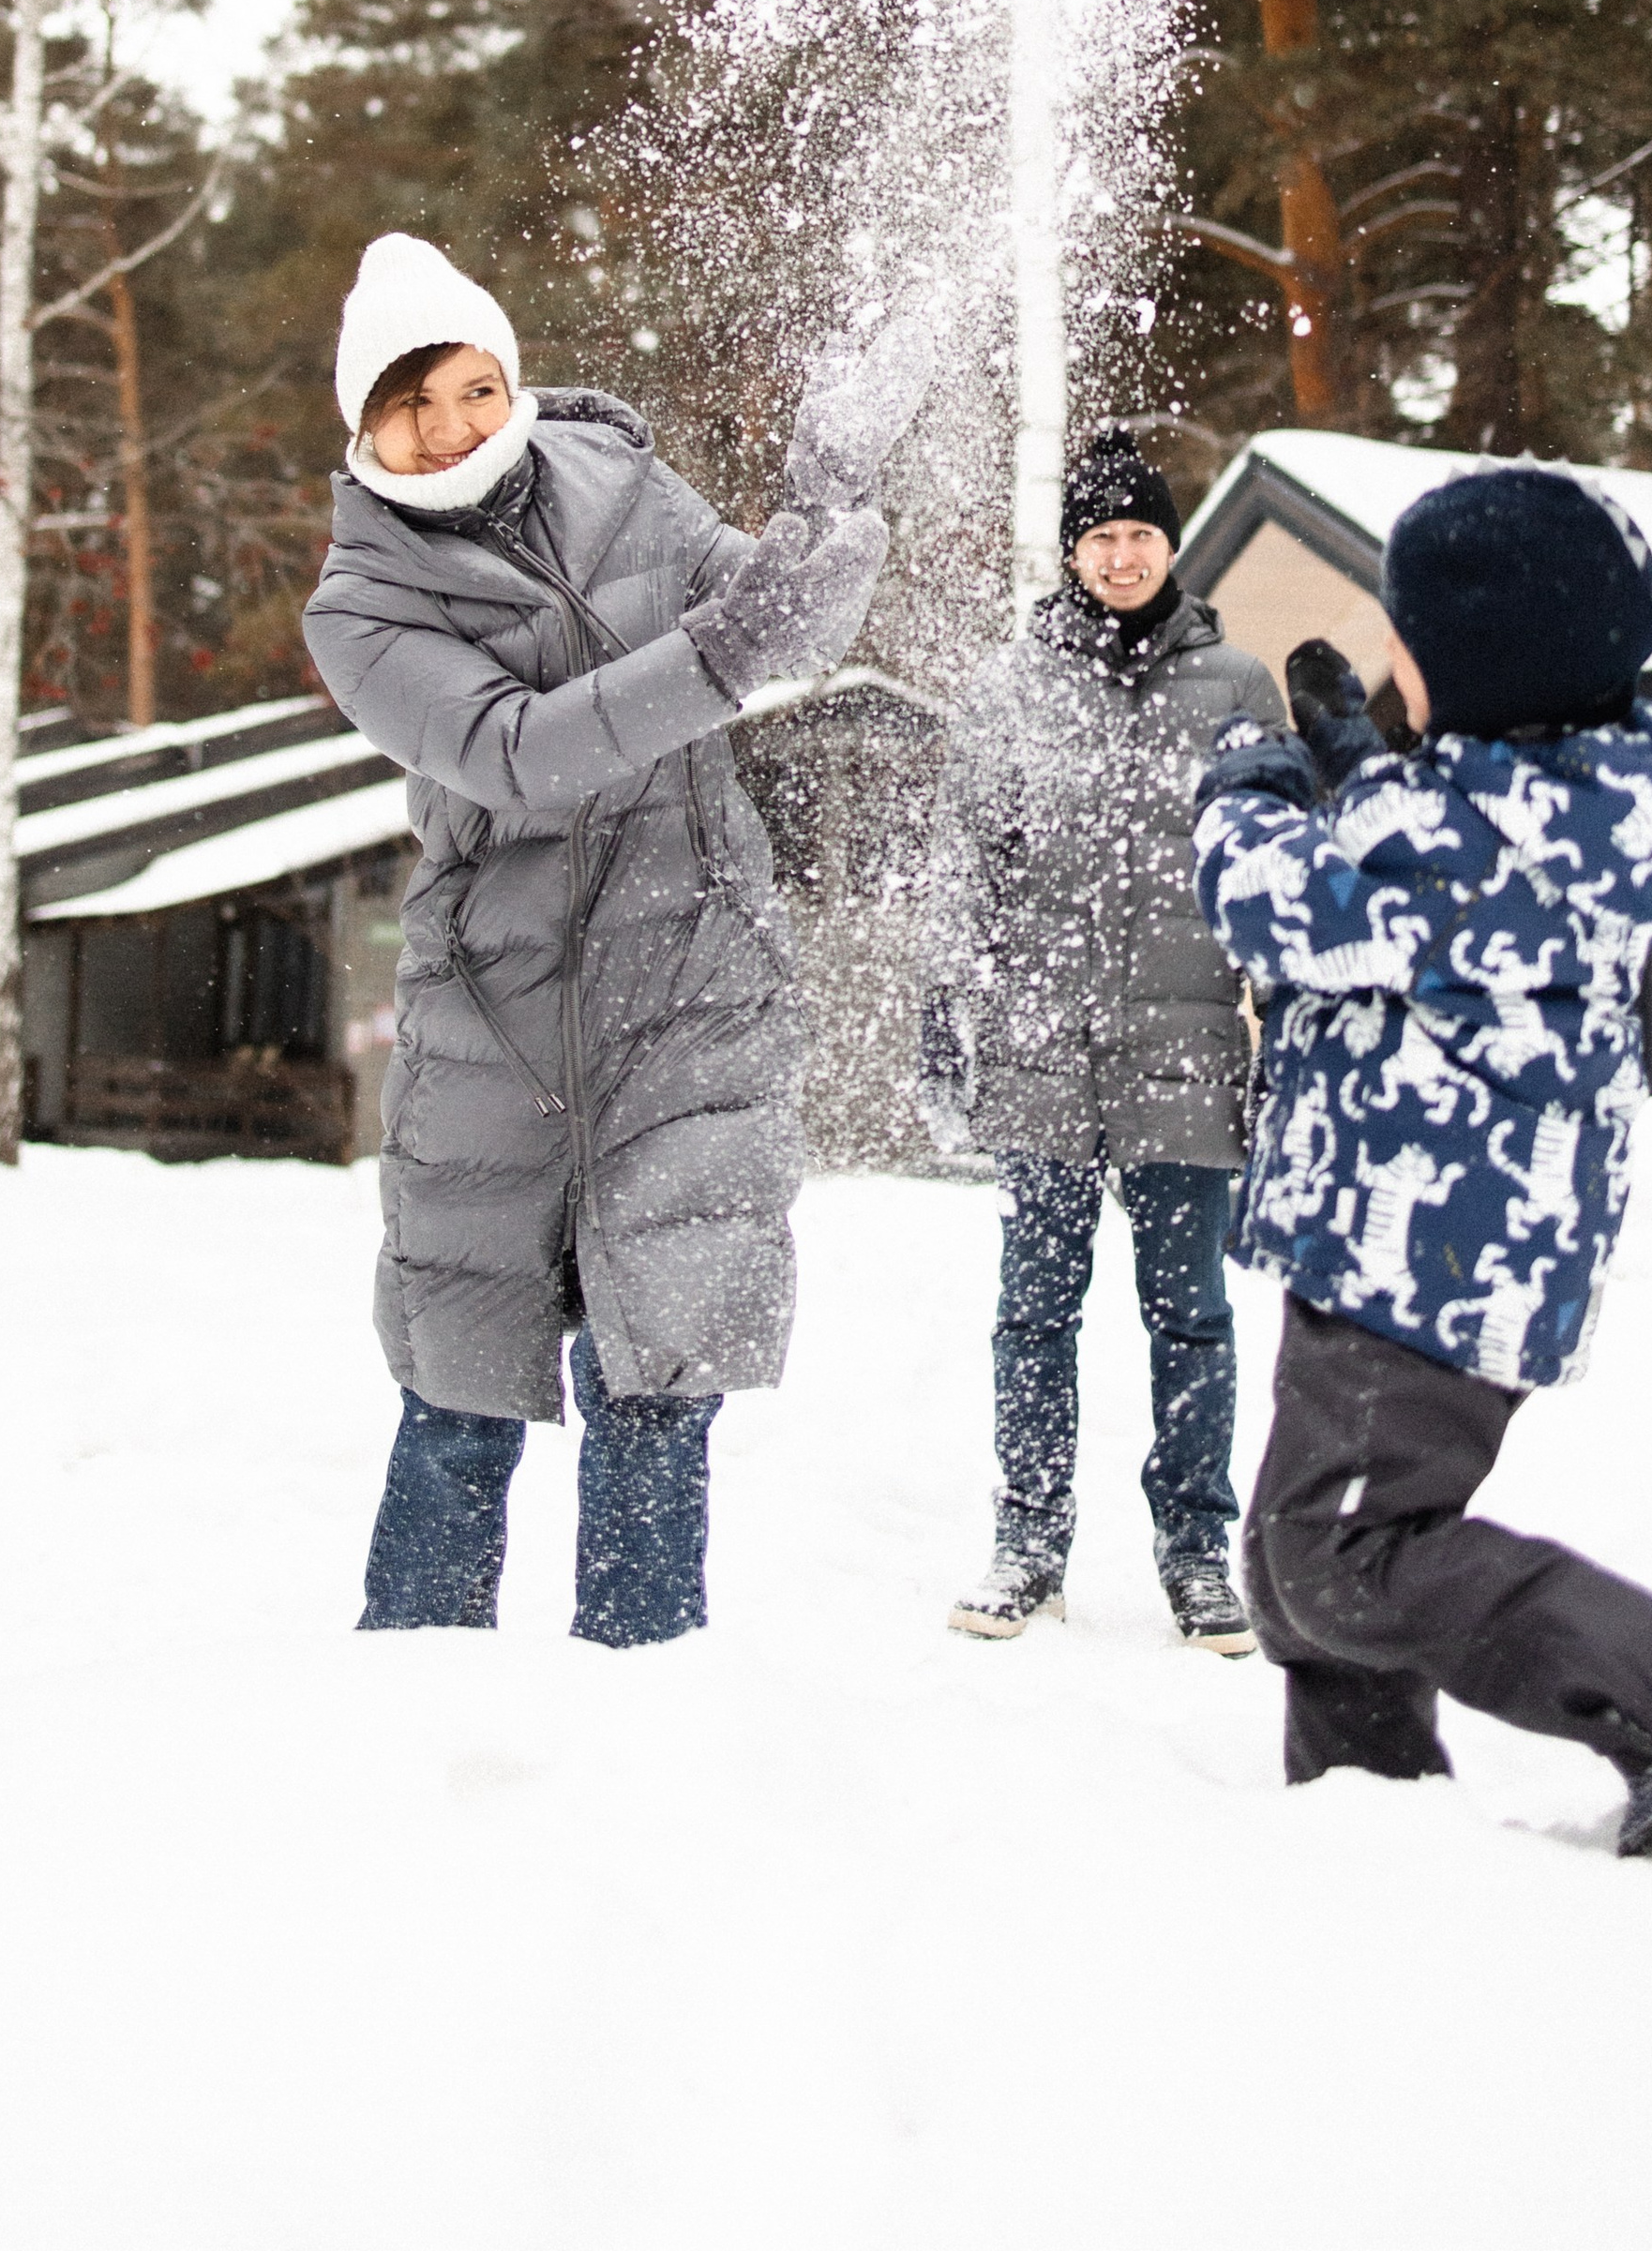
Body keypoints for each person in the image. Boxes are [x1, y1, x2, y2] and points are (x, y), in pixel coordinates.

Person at [303, 233, 928, 1648]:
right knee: (462, 1398)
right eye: (413, 404)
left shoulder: (616, 475)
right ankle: (412, 1711)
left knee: (659, 1383)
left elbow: (781, 620)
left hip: (689, 990)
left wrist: (829, 494)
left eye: (474, 386)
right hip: (498, 1020)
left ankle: (643, 1713)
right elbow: (516, 753)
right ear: (364, 426)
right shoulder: (363, 605)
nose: (452, 426)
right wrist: (720, 652)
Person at [1193, 459, 1652, 1855]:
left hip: (1419, 1250)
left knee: (1337, 1559)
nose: (1388, 654)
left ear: (1466, 666)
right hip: (1444, 1236)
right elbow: (1437, 868)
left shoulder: (1444, 842)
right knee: (1304, 1565)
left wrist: (1252, 782)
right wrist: (1366, 766)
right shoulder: (1574, 802)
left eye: (1404, 633)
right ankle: (1371, 1823)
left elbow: (1273, 896)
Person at [918, 425, 1286, 1653]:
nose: (1121, 556)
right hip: (1042, 1050)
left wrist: (1286, 1028)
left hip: (1186, 1052)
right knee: (1034, 1312)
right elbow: (966, 868)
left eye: (1140, 535)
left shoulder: (1238, 687)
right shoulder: (1009, 689)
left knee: (1191, 1316)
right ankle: (1029, 1544)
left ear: (1170, 546)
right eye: (1100, 537)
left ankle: (1196, 1557)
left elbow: (1271, 872)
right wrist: (946, 1013)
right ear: (1071, 552)